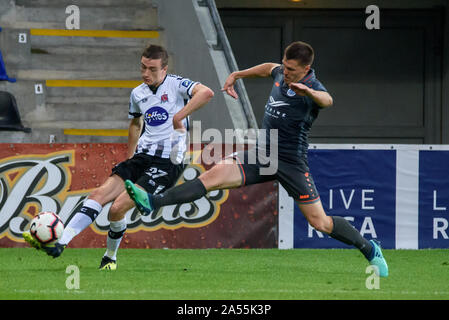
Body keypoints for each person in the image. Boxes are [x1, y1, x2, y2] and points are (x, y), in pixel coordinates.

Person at [125, 41, 389, 277]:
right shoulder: (280, 73)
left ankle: (369, 248)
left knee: (319, 222)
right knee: (212, 176)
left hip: (291, 162)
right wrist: (237, 75)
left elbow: (328, 100)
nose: (286, 73)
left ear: (306, 68)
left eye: (292, 70)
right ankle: (153, 202)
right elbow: (268, 68)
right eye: (285, 66)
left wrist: (309, 93)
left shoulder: (312, 88)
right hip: (263, 153)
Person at [23, 44, 214, 270]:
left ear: (164, 69)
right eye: (143, 67)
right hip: (142, 157)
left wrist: (179, 116)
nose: (145, 74)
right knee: (98, 194)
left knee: (117, 208)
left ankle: (110, 257)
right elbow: (135, 123)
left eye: (152, 69)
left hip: (169, 162)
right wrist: (130, 157)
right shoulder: (138, 93)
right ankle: (60, 244)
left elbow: (207, 93)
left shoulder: (177, 84)